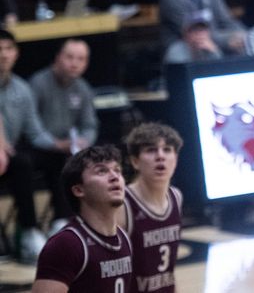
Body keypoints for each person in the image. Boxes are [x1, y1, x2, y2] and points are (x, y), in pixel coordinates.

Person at [0, 29, 69, 262]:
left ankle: (60, 223)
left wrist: (60, 144)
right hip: (6, 155)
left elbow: (34, 131)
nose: (3, 54)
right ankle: (28, 231)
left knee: (57, 158)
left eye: (8, 49)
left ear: (16, 53)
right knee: (21, 162)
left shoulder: (22, 89)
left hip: (10, 154)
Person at [32, 145, 133, 293]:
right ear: (79, 190)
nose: (114, 176)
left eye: (117, 170)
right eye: (102, 171)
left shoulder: (123, 237)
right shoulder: (66, 245)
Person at [29, 38, 99, 235]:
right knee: (61, 162)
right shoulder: (38, 83)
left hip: (69, 147)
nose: (74, 63)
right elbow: (31, 128)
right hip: (39, 147)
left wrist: (84, 141)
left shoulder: (83, 88)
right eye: (69, 57)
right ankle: (60, 221)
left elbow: (90, 125)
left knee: (94, 159)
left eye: (81, 59)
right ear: (58, 57)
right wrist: (57, 144)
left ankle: (92, 220)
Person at [117, 123, 184, 293]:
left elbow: (168, 270)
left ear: (175, 159)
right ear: (135, 161)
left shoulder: (176, 197)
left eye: (167, 149)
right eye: (151, 150)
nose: (160, 156)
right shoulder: (122, 205)